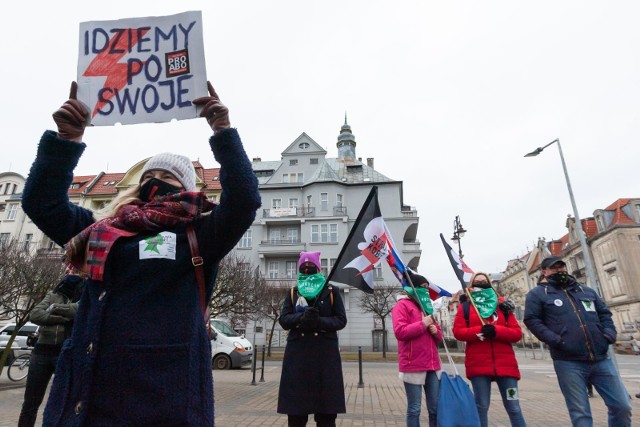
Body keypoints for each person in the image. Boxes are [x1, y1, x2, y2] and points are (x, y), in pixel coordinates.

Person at [21, 81, 261, 426]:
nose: (157, 182)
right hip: (85, 392)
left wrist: (222, 131)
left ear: (188, 189)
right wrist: (66, 141)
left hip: (160, 393)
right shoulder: (99, 230)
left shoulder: (198, 233)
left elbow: (244, 202)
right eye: (150, 175)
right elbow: (40, 203)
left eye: (169, 177)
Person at [524, 256, 632, 427]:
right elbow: (532, 320)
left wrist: (608, 335)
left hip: (601, 359)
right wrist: (555, 340)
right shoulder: (537, 294)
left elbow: (604, 314)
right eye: (554, 268)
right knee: (580, 412)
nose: (559, 270)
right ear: (544, 272)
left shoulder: (585, 291)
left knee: (622, 405)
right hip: (568, 362)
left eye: (561, 267)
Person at [277, 251, 347, 426]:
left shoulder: (331, 291)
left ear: (318, 268)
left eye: (311, 267)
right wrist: (301, 318)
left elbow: (341, 320)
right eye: (303, 268)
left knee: (326, 417)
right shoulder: (293, 292)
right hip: (298, 360)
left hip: (325, 359)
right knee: (296, 416)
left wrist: (319, 321)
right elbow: (284, 320)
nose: (307, 270)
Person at [453, 272, 527, 427]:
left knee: (514, 407)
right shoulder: (466, 307)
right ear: (471, 286)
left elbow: (516, 333)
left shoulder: (502, 306)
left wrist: (497, 331)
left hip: (506, 366)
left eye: (484, 281)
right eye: (477, 281)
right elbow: (458, 332)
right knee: (481, 407)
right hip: (479, 365)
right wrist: (479, 330)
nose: (481, 283)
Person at [18, 274, 84, 427]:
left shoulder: (84, 295)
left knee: (60, 402)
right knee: (30, 402)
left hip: (64, 353)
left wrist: (54, 309)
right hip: (41, 351)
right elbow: (35, 314)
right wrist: (63, 318)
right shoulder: (53, 294)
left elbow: (77, 310)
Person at [391, 271, 442, 427]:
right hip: (413, 365)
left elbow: (439, 338)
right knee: (414, 409)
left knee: (435, 409)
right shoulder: (401, 306)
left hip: (433, 365)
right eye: (423, 286)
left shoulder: (428, 307)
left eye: (428, 287)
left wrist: (436, 332)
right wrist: (423, 324)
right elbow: (400, 332)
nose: (426, 290)